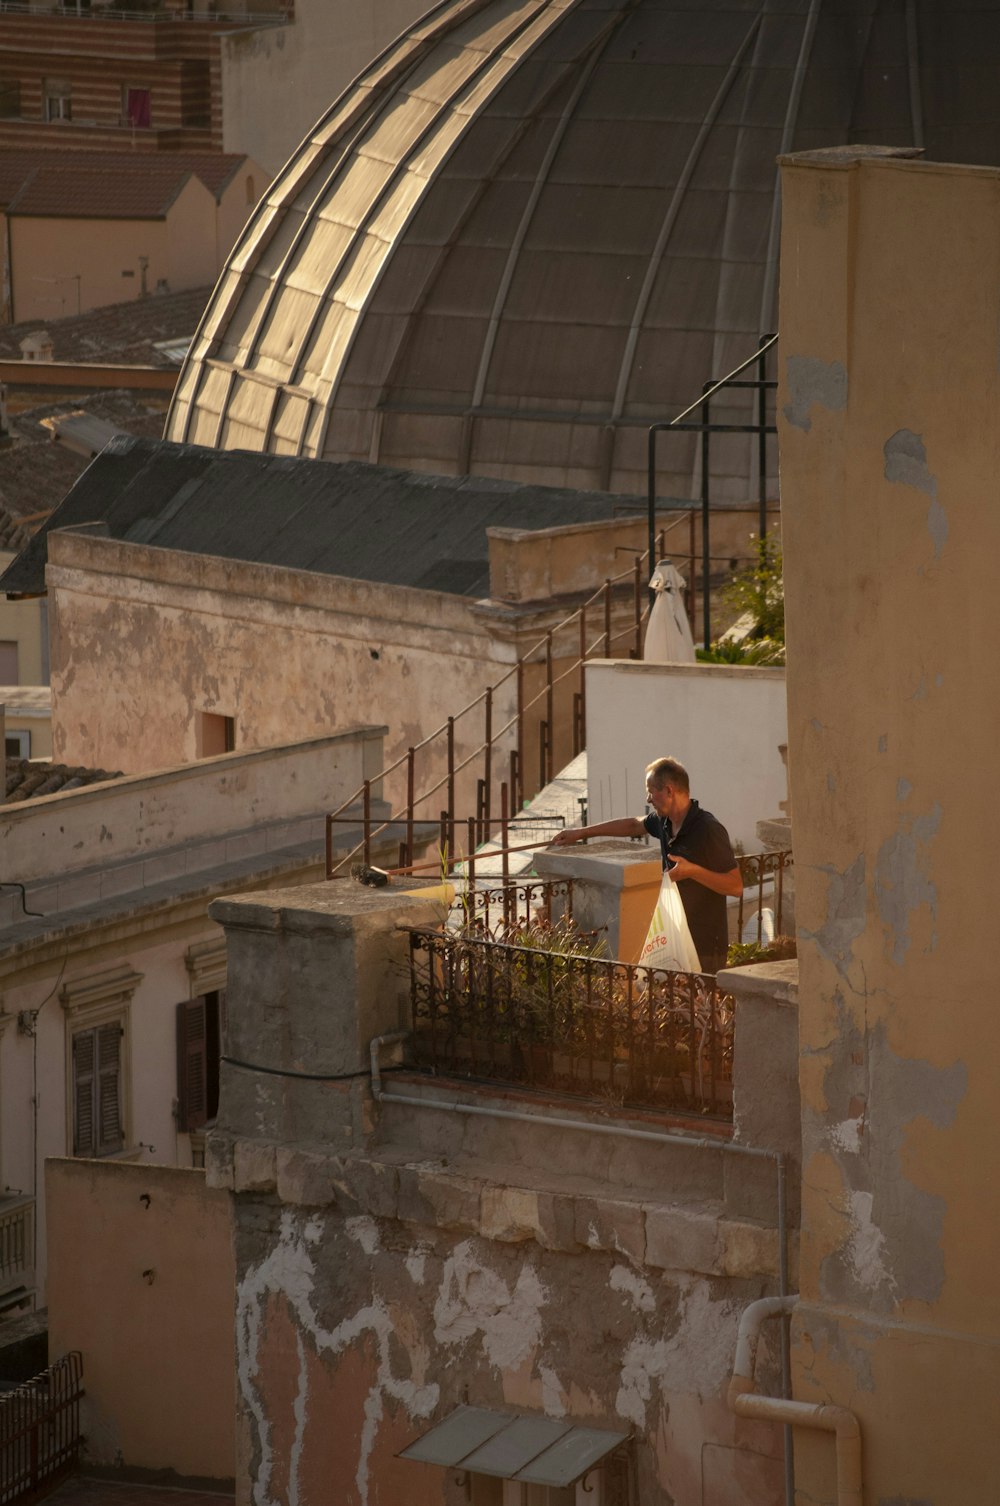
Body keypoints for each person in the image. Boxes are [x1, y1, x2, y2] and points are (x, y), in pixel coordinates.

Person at [550, 755, 742, 973]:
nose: (648, 798)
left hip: (705, 944)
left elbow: (735, 886)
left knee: (701, 1005)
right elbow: (633, 825)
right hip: (672, 935)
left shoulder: (708, 829)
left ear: (669, 791)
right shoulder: (664, 821)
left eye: (651, 791)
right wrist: (582, 832)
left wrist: (693, 871)